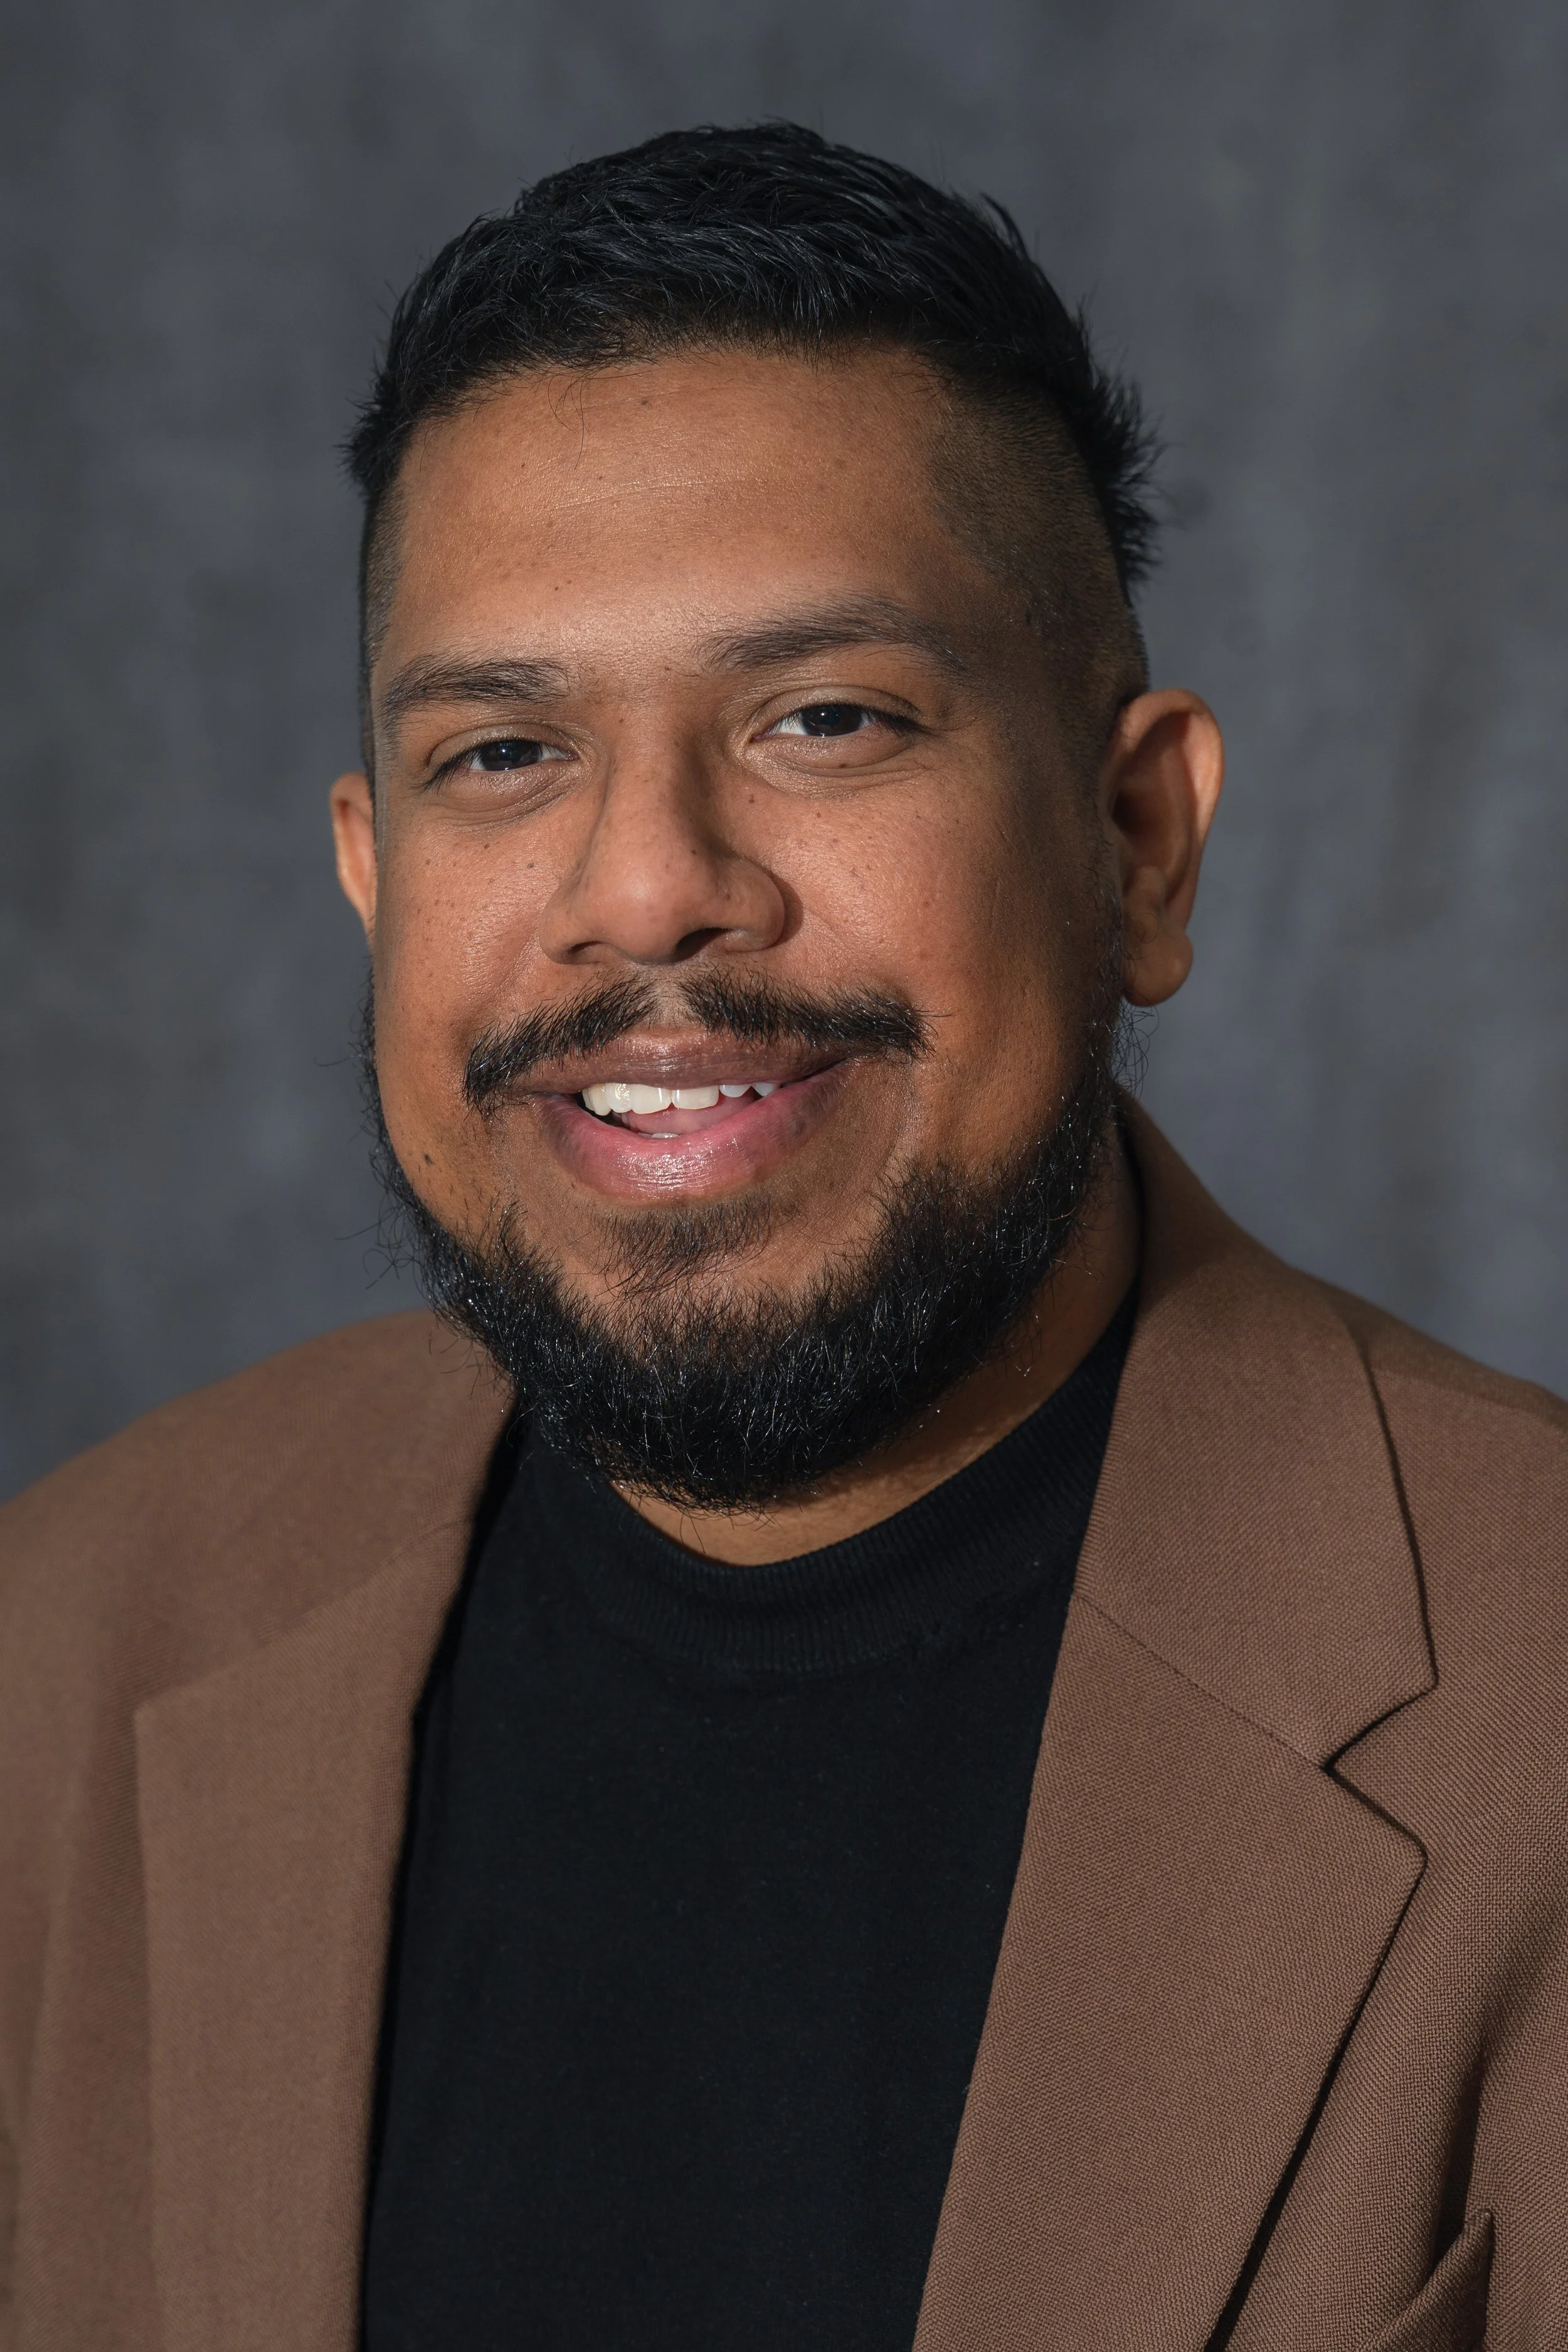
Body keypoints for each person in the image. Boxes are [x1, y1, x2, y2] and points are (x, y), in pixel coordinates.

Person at [2, 120, 1564, 2352]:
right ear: (370, 877)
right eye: (504, 752)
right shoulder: (59, 1648)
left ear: (1136, 845)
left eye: (824, 719)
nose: (644, 886)